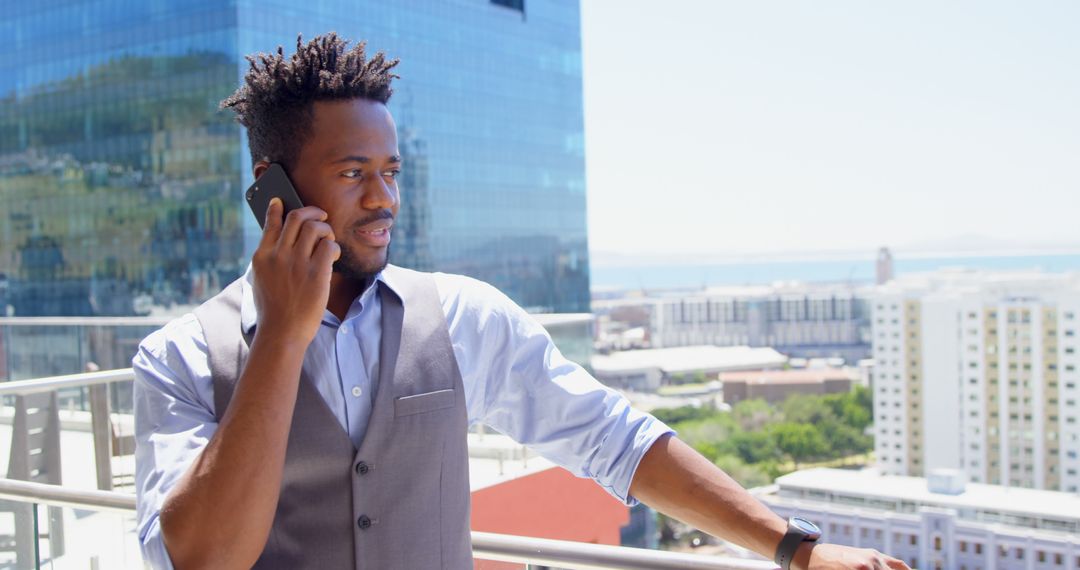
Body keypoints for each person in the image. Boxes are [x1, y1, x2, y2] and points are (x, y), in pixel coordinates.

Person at [133, 33, 910, 570]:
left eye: (393, 171)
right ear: (273, 189)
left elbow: (616, 440)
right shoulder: (180, 359)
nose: (384, 200)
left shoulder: (463, 317)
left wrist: (794, 548)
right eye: (352, 174)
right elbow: (198, 557)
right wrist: (281, 341)